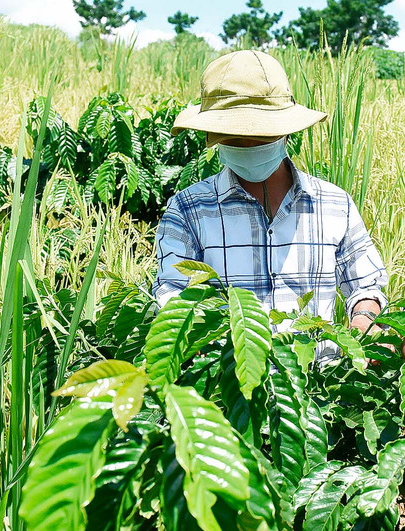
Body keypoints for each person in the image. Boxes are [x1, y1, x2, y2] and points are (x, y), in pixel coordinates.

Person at [152, 50, 388, 351]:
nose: (249, 145)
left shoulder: (335, 205)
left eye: (260, 135)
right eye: (235, 136)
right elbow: (172, 296)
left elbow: (367, 284)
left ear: (286, 133)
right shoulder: (188, 211)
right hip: (226, 386)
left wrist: (364, 318)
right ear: (214, 136)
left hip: (320, 386)